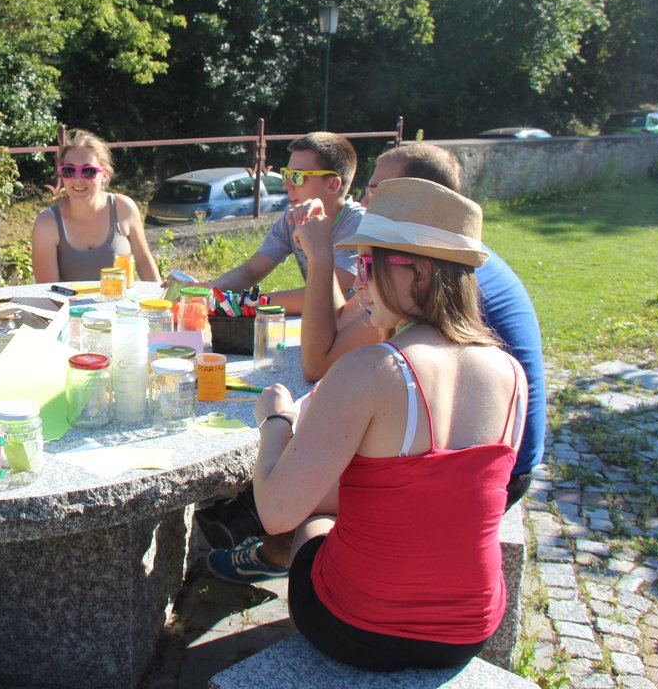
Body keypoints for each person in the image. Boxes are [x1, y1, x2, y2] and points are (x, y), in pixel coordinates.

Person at [204, 143, 546, 581]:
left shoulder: (403, 296)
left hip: (483, 474)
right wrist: (327, 258)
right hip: (474, 483)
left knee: (306, 482)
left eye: (379, 191)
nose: (365, 201)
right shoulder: (443, 263)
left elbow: (319, 363)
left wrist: (277, 423)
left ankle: (269, 545)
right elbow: (338, 323)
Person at [249, 178, 527, 671]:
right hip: (468, 630)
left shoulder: (372, 367)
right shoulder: (510, 372)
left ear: (418, 274)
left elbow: (275, 512)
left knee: (313, 524)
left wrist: (276, 420)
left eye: (366, 266)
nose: (358, 284)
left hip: (357, 628)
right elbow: (435, 494)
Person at [207, 132, 363, 315]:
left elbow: (325, 297)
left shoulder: (359, 224)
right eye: (286, 175)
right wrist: (208, 294)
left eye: (297, 176)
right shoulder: (292, 218)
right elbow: (250, 271)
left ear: (332, 185)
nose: (286, 185)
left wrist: (245, 303)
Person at [30, 129, 160, 283]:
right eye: (69, 170)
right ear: (61, 174)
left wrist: (162, 297)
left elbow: (144, 263)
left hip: (121, 299)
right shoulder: (47, 224)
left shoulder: (124, 208)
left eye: (88, 171)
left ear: (105, 175)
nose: (78, 179)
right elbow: (47, 291)